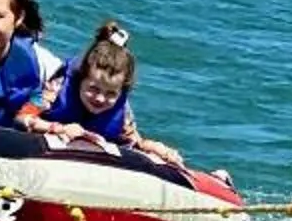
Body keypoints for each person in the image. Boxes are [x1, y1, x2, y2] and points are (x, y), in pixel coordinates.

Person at [17, 18, 183, 165]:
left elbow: (134, 142)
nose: (100, 98)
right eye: (93, 89)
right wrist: (57, 128)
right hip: (42, 153)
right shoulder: (57, 88)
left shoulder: (123, 112)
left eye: (111, 94)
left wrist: (157, 148)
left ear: (121, 92)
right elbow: (22, 117)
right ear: (81, 80)